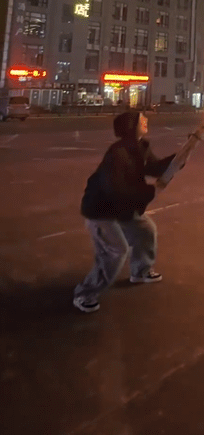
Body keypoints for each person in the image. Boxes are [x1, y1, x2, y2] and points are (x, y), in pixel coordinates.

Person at [73, 110, 177, 313]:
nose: (146, 120)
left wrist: (177, 159)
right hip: (102, 210)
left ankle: (141, 271)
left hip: (122, 205)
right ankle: (85, 294)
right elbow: (116, 189)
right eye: (141, 118)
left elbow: (154, 168)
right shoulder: (118, 152)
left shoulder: (141, 146)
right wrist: (149, 191)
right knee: (116, 250)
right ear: (132, 126)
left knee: (146, 230)